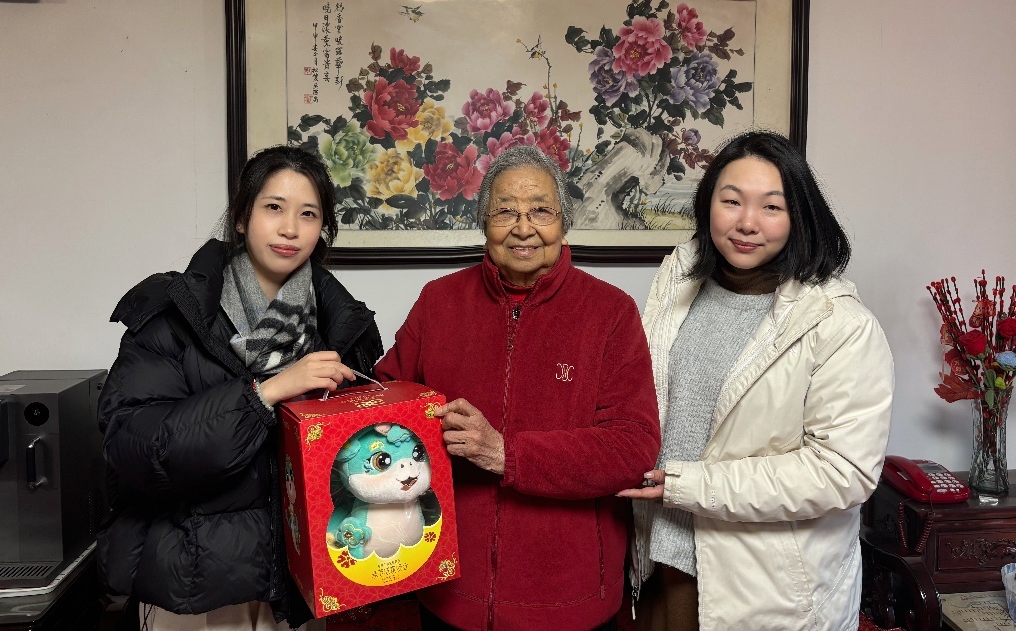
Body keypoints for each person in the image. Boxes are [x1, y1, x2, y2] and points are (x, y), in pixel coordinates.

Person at [375, 145, 661, 631]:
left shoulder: (611, 312)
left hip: (569, 600)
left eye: (541, 211)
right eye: (505, 211)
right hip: (449, 588)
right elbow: (387, 399)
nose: (523, 228)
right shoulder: (439, 301)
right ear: (484, 223)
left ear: (564, 223)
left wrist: (507, 454)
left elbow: (633, 447)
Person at [97, 145, 383, 631]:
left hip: (302, 581)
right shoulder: (174, 313)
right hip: (195, 583)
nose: (290, 228)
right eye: (274, 208)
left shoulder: (343, 328)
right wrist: (265, 394)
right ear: (241, 218)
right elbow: (135, 447)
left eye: (308, 214)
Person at [619, 130, 894, 631]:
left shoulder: (839, 324)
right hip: (659, 556)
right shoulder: (677, 284)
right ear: (707, 205)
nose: (747, 223)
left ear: (800, 215)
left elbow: (843, 471)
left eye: (771, 207)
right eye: (731, 201)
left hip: (763, 586)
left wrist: (689, 485)